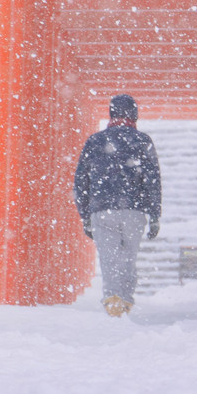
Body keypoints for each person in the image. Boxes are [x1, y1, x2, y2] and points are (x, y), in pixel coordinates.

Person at [73, 94, 162, 317]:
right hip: (134, 209)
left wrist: (85, 213)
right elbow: (152, 180)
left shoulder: (95, 141)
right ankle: (125, 300)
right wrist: (154, 214)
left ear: (111, 113)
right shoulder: (143, 141)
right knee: (128, 257)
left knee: (109, 258)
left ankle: (113, 300)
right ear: (135, 115)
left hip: (102, 209)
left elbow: (81, 180)